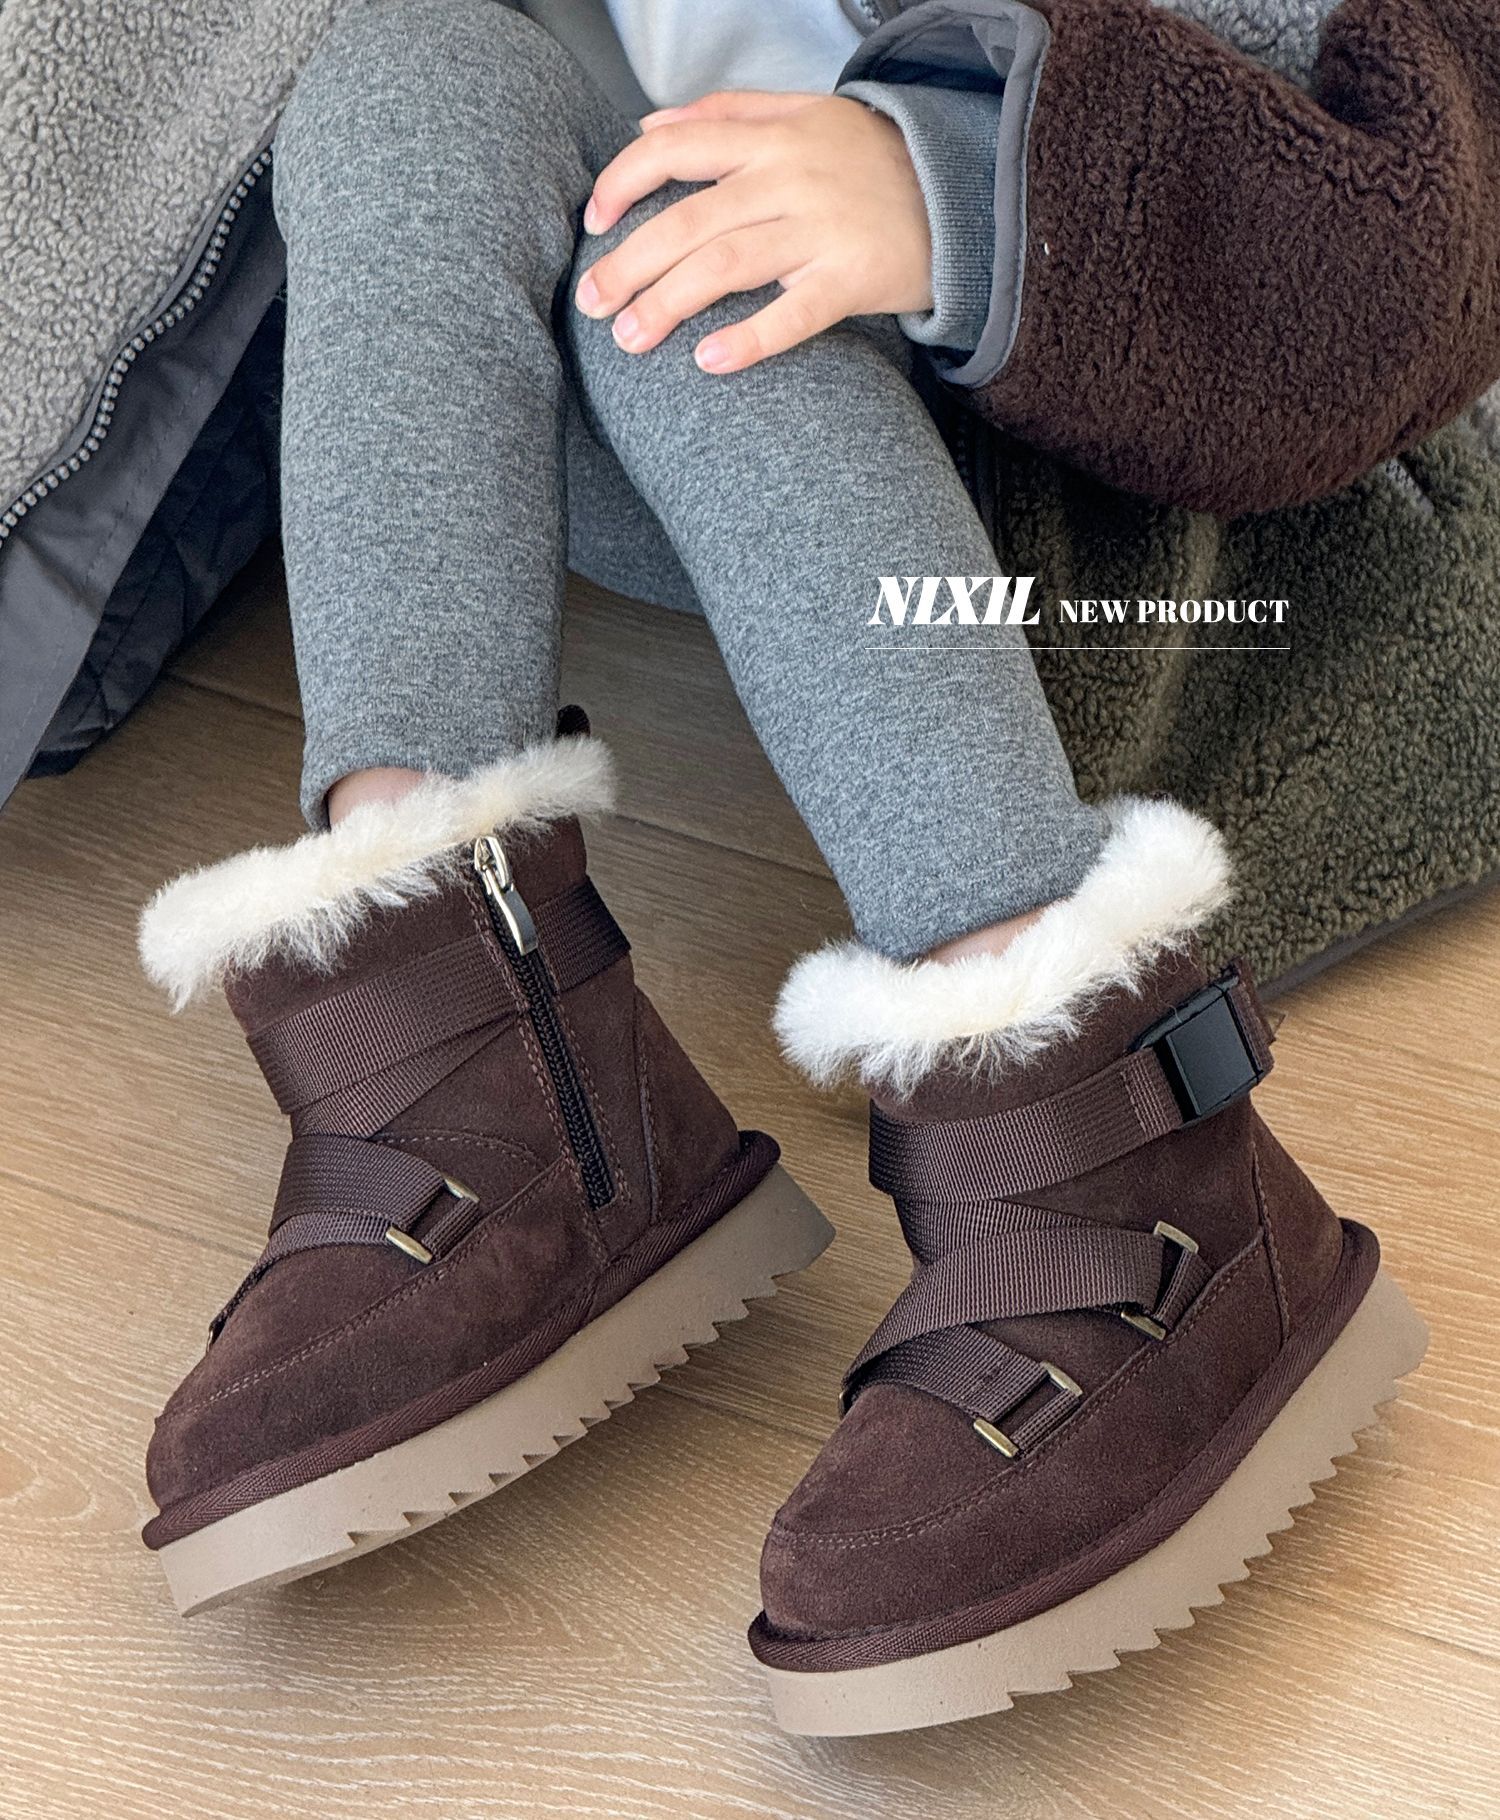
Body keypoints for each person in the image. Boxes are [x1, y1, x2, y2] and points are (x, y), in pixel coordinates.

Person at [12, 0, 1471, 1735]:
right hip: (757, 431)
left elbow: (1422, 232)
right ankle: (487, 1060)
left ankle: (1131, 1162)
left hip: (1192, 488)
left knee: (690, 268)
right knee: (412, 74)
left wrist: (962, 188)